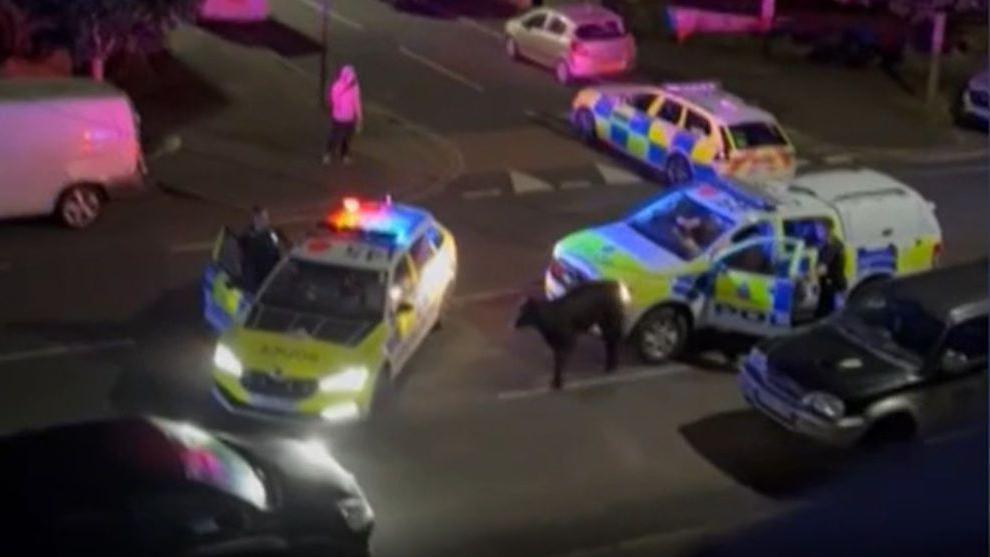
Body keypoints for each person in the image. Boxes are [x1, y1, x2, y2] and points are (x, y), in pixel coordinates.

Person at [324, 65, 363, 165]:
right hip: (344, 117)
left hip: (342, 117)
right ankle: (340, 155)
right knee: (342, 137)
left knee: (338, 136)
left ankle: (330, 155)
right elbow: (356, 102)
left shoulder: (340, 85)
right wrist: (359, 117)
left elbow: (355, 102)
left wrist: (358, 117)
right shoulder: (350, 87)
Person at [240, 206, 282, 292]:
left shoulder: (271, 234)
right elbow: (245, 262)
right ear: (255, 220)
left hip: (270, 277)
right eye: (263, 218)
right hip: (256, 281)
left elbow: (276, 250)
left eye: (267, 218)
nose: (267, 221)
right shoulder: (246, 238)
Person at [815, 220, 847, 319]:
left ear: (828, 230)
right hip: (828, 286)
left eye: (820, 230)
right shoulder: (829, 244)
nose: (817, 232)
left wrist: (807, 276)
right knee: (823, 314)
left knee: (833, 316)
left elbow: (822, 268)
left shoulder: (832, 246)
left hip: (834, 286)